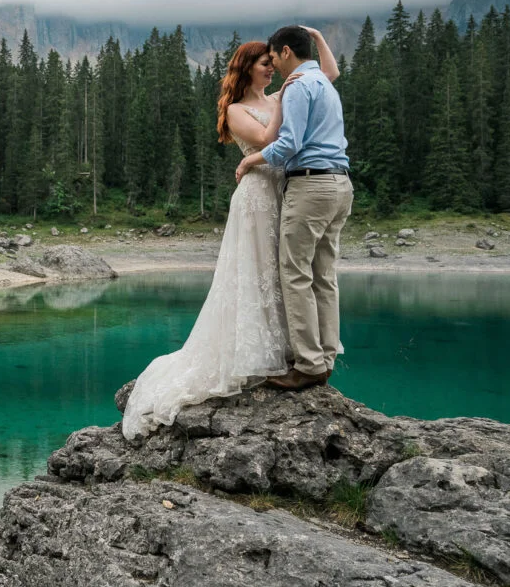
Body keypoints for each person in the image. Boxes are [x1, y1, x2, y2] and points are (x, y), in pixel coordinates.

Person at [121, 28, 340, 440]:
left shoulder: (286, 92)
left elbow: (327, 73)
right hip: (258, 196)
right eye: (266, 65)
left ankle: (294, 352)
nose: (273, 70)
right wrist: (285, 102)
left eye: (275, 63)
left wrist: (316, 38)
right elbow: (267, 138)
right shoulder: (238, 109)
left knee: (287, 273)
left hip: (287, 191)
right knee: (261, 270)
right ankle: (258, 354)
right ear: (249, 69)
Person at [235, 25, 352, 390]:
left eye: (273, 58)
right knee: (324, 275)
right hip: (340, 184)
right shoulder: (322, 83)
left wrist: (249, 161)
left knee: (295, 274)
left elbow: (289, 144)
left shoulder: (300, 87)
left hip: (311, 185)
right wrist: (317, 37)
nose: (273, 66)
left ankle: (308, 364)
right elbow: (331, 70)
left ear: (286, 52)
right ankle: (326, 356)